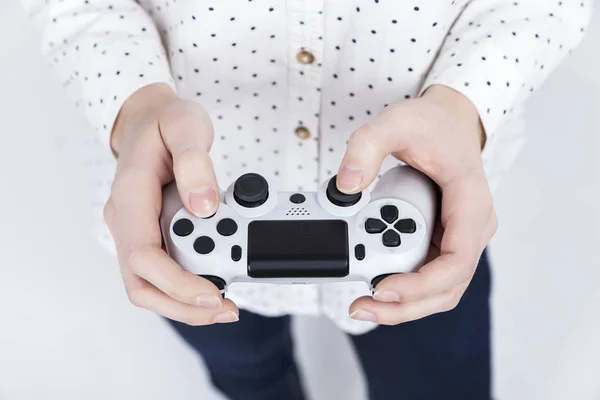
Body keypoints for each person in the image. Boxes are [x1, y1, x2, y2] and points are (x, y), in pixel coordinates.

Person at [22, 1, 592, 399]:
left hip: (434, 222)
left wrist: (464, 103)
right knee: (248, 377)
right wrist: (136, 104)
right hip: (174, 209)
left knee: (438, 383)